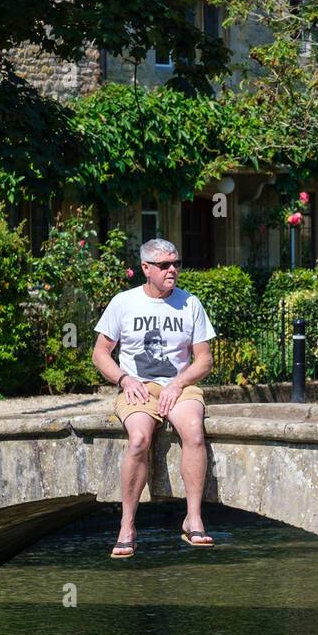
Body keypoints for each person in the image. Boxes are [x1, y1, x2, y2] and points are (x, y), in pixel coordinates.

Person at [92, 238, 216, 557]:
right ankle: (127, 525)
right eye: (164, 265)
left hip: (181, 385)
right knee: (138, 439)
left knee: (193, 431)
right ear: (146, 269)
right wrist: (124, 378)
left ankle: (193, 518)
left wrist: (178, 383)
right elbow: (101, 354)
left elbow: (204, 359)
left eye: (176, 263)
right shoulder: (123, 303)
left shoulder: (190, 304)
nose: (172, 269)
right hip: (138, 387)